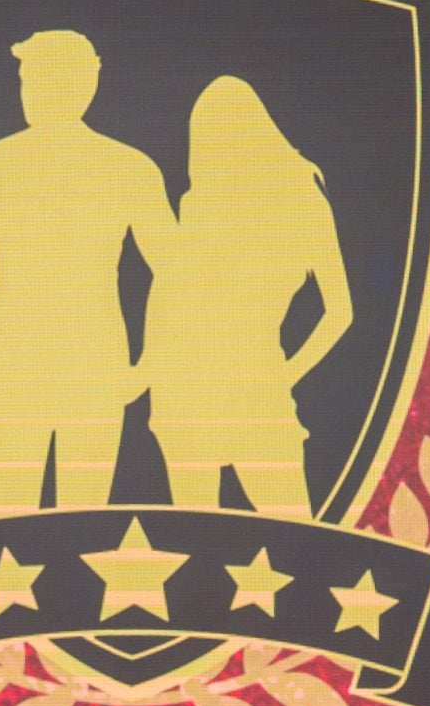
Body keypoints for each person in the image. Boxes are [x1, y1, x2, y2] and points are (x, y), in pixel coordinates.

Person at [0, 29, 174, 515]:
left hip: (71, 368)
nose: (31, 91)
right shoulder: (124, 167)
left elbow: (175, 274)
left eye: (40, 79)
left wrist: (147, 368)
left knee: (47, 526)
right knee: (33, 527)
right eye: (29, 79)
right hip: (37, 368)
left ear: (86, 85)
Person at [144, 76, 353, 518]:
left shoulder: (285, 200)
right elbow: (340, 312)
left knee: (221, 535)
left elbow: (340, 312)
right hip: (212, 389)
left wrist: (285, 375)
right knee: (281, 533)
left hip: (218, 390)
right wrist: (285, 374)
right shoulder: (218, 203)